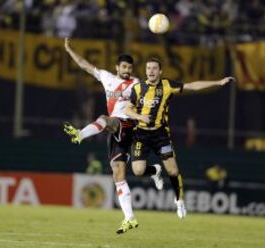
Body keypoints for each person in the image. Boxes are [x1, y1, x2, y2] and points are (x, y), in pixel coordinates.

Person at [63, 38, 163, 234]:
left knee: (105, 118)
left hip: (130, 125)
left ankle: (80, 134)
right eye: (124, 66)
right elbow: (85, 65)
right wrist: (69, 50)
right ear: (117, 67)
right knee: (120, 174)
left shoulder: (137, 84)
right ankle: (130, 217)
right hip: (117, 132)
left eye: (130, 67)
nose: (127, 70)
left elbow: (155, 90)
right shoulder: (107, 78)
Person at [125, 57, 233, 219]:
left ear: (160, 72)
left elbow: (192, 86)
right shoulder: (138, 88)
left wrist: (218, 83)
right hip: (140, 133)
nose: (151, 71)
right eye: (148, 68)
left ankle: (179, 201)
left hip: (160, 134)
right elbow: (127, 110)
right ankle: (155, 170)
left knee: (173, 170)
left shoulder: (167, 85)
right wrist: (139, 116)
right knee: (138, 171)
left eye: (154, 68)